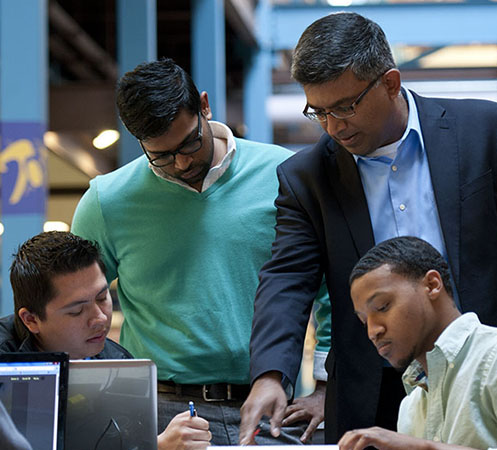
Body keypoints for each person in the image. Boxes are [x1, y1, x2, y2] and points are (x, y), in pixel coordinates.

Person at [241, 11, 497, 445]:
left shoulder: (483, 131)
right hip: (370, 388)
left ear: (390, 83)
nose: (333, 126)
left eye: (345, 107)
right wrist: (269, 375)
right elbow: (287, 279)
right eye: (318, 112)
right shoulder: (307, 177)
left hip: (485, 365)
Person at [70, 58, 330, 446]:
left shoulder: (284, 173)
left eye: (190, 142)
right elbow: (71, 303)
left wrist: (327, 386)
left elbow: (331, 285)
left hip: (272, 404)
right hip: (161, 411)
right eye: (161, 155)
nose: (182, 162)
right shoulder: (107, 201)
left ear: (204, 107)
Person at [339, 236, 497, 450]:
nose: (373, 331)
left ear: (432, 285)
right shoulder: (412, 403)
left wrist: (425, 448)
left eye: (382, 307)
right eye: (363, 321)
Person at [0, 231, 211, 449]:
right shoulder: (4, 361)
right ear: (31, 320)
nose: (100, 318)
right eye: (77, 311)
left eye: (102, 298)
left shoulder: (119, 363)